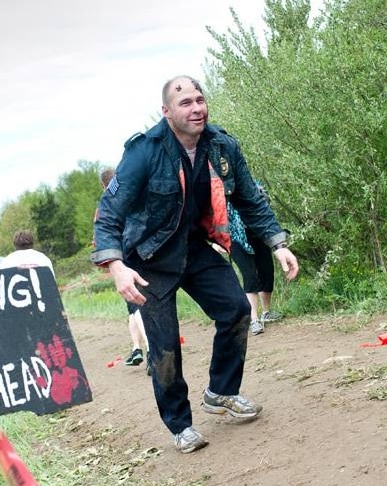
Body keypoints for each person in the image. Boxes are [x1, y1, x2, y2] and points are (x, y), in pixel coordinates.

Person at [92, 75, 299, 453]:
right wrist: (116, 266)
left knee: (237, 309)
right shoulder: (145, 151)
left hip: (193, 247)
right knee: (165, 345)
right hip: (147, 258)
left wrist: (277, 243)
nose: (196, 108)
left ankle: (221, 391)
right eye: (185, 102)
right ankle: (179, 425)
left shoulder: (221, 145)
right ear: (167, 111)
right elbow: (108, 213)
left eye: (199, 100)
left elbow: (250, 198)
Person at [99, 168, 151, 372]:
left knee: (136, 308)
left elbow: (102, 238)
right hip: (143, 255)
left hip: (125, 261)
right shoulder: (134, 193)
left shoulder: (106, 205)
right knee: (136, 309)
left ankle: (147, 348)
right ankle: (138, 347)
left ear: (104, 186)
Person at [225, 185, 283, 336]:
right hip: (236, 238)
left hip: (258, 233)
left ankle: (266, 312)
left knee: (267, 271)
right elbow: (216, 216)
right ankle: (254, 319)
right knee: (249, 275)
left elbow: (265, 208)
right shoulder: (221, 191)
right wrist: (218, 241)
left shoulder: (254, 186)